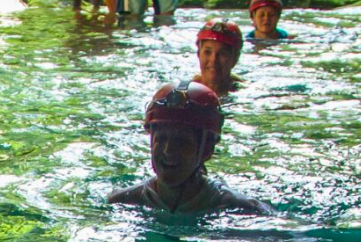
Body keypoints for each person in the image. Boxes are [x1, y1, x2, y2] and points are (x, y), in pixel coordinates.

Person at [109, 81, 268, 215]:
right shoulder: (123, 201)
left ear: (206, 150)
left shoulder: (236, 208)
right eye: (161, 139)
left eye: (181, 141)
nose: (168, 150)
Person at [194, 20, 243, 93]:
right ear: (198, 54)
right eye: (207, 52)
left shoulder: (245, 93)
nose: (213, 60)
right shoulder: (183, 92)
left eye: (222, 53)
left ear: (235, 59)